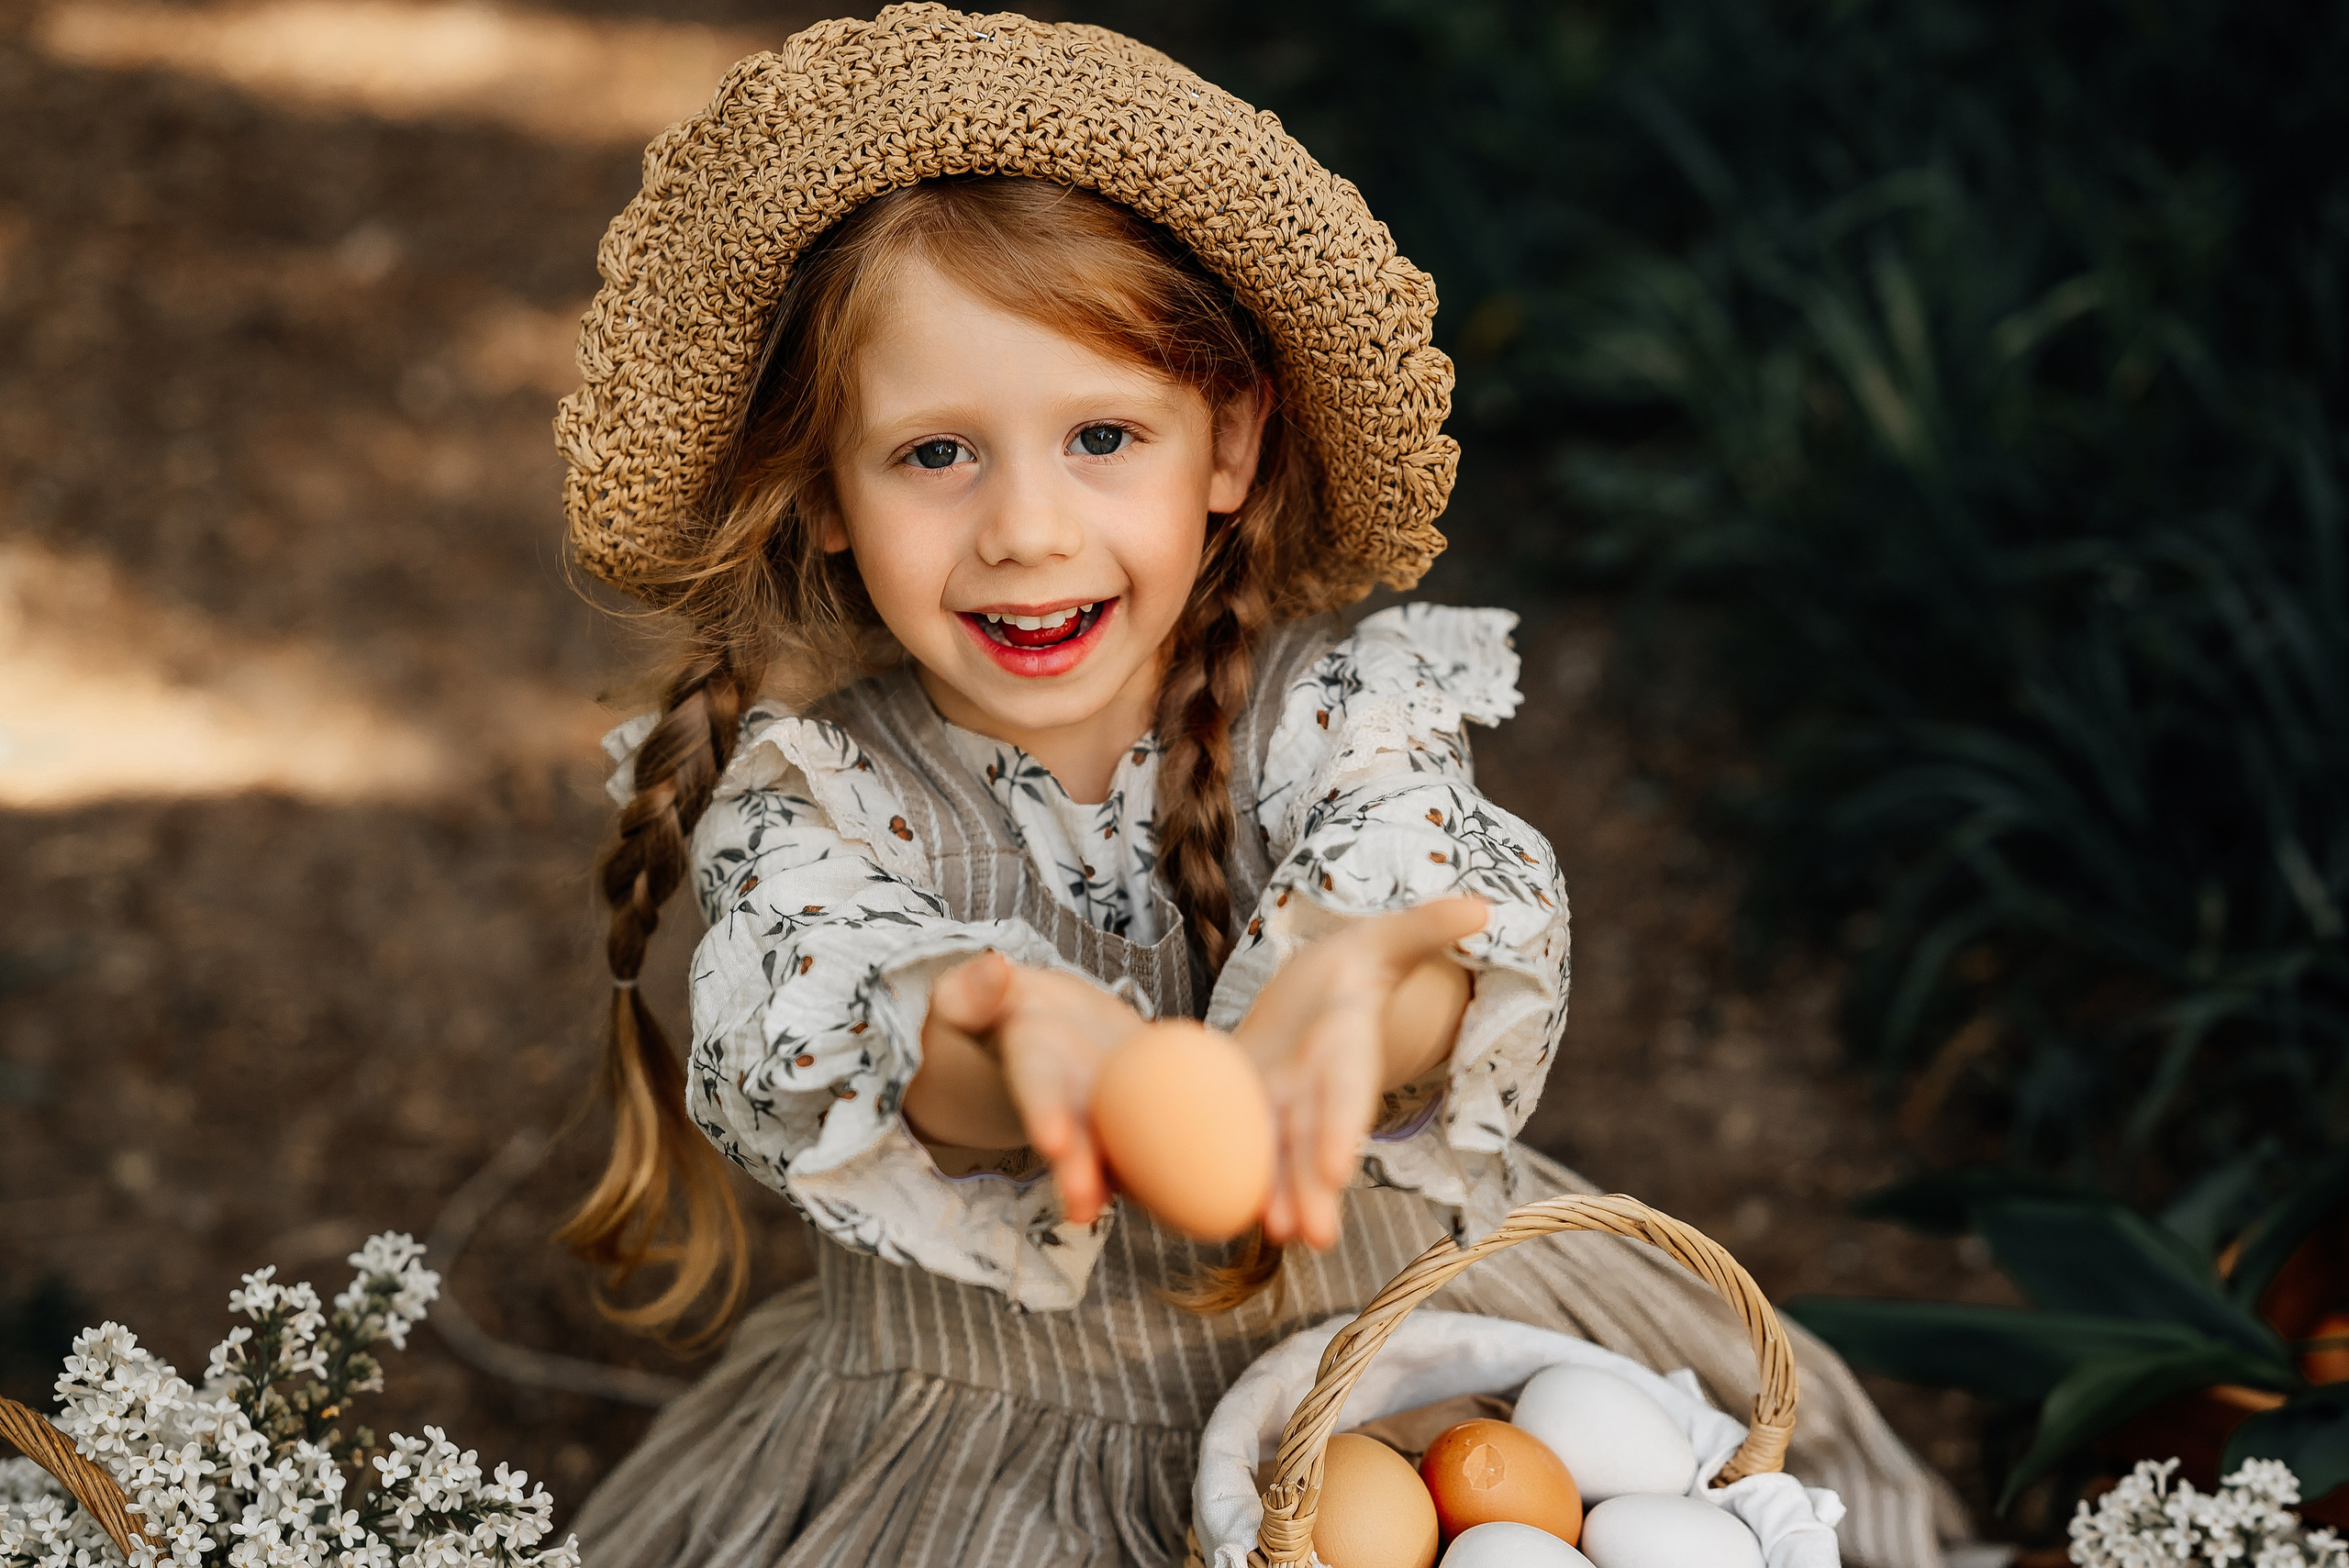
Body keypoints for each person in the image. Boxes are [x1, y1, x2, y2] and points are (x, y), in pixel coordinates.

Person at [554, 8, 1959, 1566]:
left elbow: (1421, 898)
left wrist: (1368, 1004)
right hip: (995, 1434)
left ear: (1225, 443)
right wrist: (1019, 1046)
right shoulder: (805, 805)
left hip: (1403, 1366)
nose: (1026, 527)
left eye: (1102, 435)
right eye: (935, 454)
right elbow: (825, 1002)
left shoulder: (1343, 715)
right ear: (825, 491)